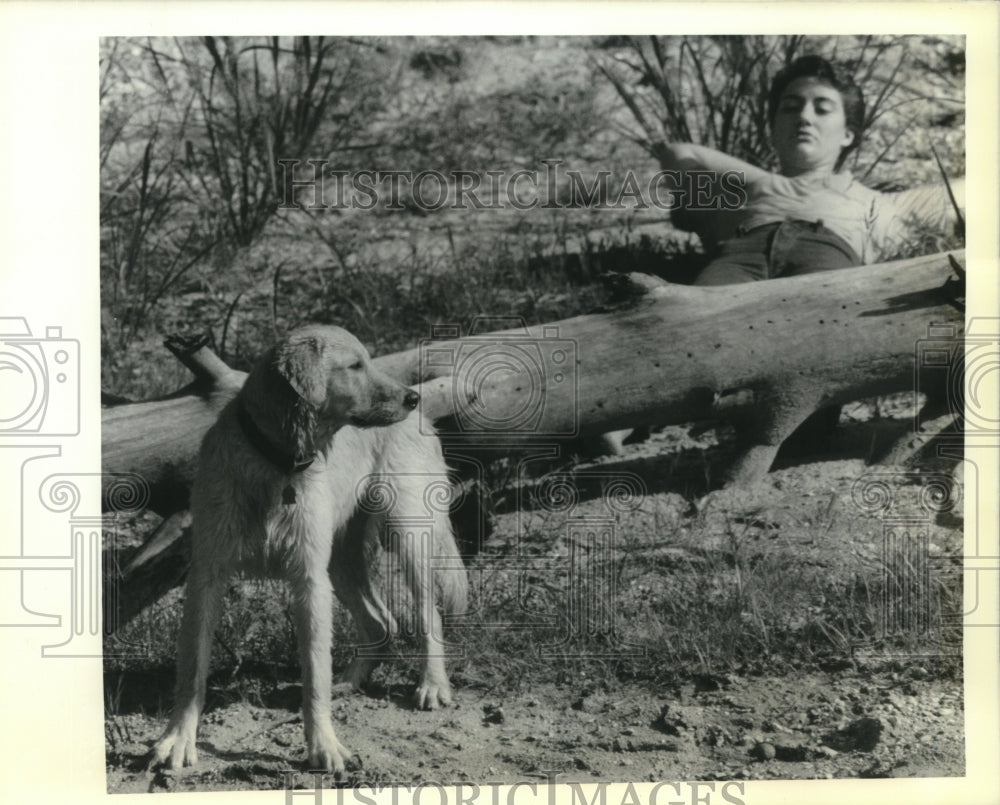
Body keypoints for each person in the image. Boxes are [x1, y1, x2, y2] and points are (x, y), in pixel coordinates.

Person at [658, 55, 964, 286]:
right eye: (790, 107)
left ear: (848, 134)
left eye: (822, 108)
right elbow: (678, 152)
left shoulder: (876, 204)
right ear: (774, 131)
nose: (804, 117)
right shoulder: (748, 188)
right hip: (737, 258)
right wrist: (707, 210)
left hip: (825, 262)